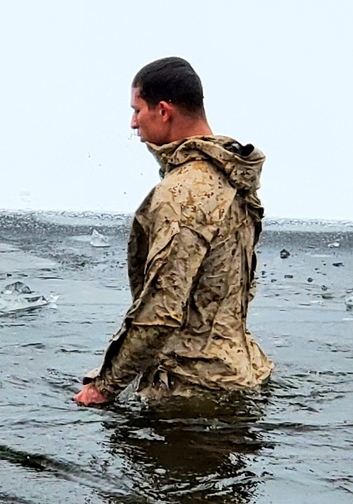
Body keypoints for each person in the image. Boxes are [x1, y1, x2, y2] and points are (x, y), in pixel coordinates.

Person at [74, 57, 273, 405]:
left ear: (163, 111)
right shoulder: (232, 178)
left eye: (137, 110)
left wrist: (104, 387)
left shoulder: (183, 193)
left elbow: (161, 310)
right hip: (242, 372)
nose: (133, 123)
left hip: (191, 391)